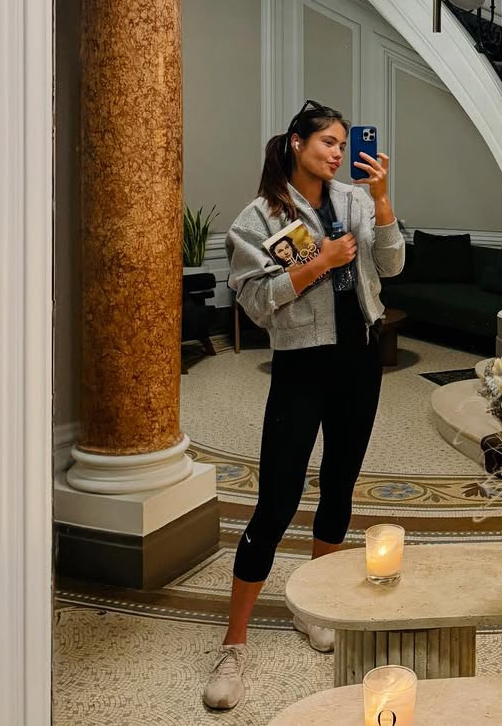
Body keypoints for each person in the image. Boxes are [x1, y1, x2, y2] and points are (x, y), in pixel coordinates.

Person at [203, 100, 404, 710]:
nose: (338, 152)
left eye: (343, 143)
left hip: (358, 361)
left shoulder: (357, 201)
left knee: (339, 487)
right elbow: (256, 303)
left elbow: (392, 265)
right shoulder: (259, 216)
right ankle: (234, 645)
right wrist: (320, 263)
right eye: (327, 142)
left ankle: (313, 606)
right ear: (296, 142)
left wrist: (384, 201)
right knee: (276, 500)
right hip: (301, 368)